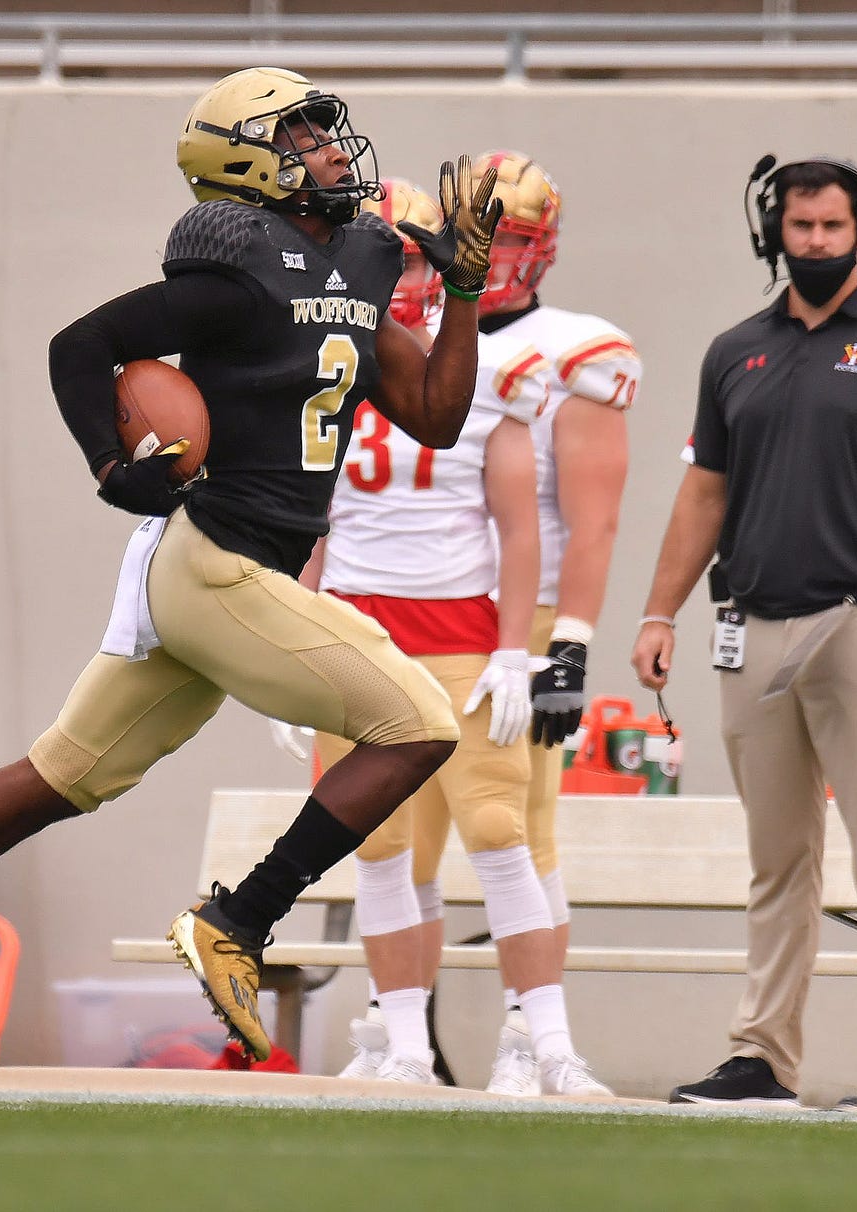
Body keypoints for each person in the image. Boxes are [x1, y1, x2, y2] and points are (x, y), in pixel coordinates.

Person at [0, 67, 503, 1063]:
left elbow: (434, 414)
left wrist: (460, 292)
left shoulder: (364, 259)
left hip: (239, 575)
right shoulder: (237, 266)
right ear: (247, 159)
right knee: (416, 723)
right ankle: (238, 921)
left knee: (58, 776)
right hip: (216, 568)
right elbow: (84, 344)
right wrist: (109, 464)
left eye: (329, 130)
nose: (333, 148)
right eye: (304, 134)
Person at [632, 156, 857, 1112]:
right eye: (802, 229)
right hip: (749, 624)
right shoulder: (734, 350)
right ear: (774, 233)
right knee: (778, 856)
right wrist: (661, 609)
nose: (817, 244)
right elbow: (705, 490)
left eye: (832, 228)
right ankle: (763, 1058)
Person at [298, 177, 609, 1095]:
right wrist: (291, 650)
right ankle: (405, 1047)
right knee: (380, 844)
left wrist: (520, 650)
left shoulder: (482, 378)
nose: (390, 283)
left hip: (463, 637)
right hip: (357, 635)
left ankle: (548, 1042)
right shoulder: (317, 376)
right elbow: (308, 528)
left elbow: (522, 531)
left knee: (498, 831)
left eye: (400, 263)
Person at [470, 150, 639, 1093]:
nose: (490, 254)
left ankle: (524, 1033)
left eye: (511, 237)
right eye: (478, 234)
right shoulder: (408, 331)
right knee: (394, 829)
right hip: (419, 608)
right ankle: (389, 1029)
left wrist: (569, 642)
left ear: (546, 249)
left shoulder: (577, 349)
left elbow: (592, 517)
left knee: (519, 826)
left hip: (520, 618)